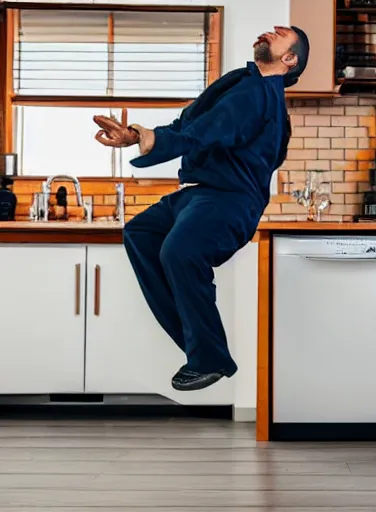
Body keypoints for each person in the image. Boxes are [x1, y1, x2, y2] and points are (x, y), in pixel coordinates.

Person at [93, 26, 310, 392]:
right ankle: (202, 349)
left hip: (230, 198)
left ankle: (208, 356)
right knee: (141, 233)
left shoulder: (258, 94)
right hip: (198, 193)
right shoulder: (239, 82)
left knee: (181, 251)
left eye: (280, 35)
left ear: (289, 59)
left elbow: (204, 133)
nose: (268, 33)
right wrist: (137, 136)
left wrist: (149, 140)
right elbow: (188, 124)